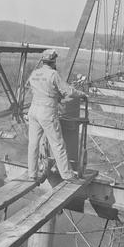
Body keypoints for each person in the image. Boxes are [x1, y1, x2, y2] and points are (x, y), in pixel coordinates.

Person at [27, 49, 87, 182]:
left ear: (43, 61)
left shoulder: (34, 73)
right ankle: (67, 175)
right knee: (57, 144)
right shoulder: (53, 74)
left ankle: (32, 174)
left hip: (33, 110)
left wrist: (55, 96)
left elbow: (41, 91)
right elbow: (68, 91)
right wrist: (81, 94)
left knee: (33, 144)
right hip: (47, 112)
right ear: (53, 61)